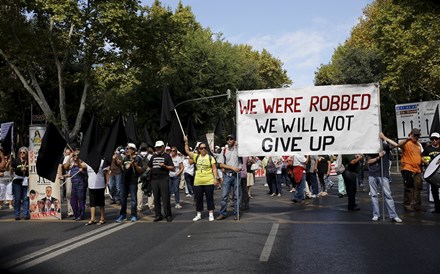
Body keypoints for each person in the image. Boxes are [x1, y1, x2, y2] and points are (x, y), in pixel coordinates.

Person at [367, 136, 402, 223]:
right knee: (374, 195)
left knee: (388, 194)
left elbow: (396, 145)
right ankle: (376, 214)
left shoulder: (384, 146)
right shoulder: (369, 147)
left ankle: (393, 215)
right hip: (372, 174)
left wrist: (384, 137)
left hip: (383, 174)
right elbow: (368, 161)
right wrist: (378, 157)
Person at [184, 137, 219, 221]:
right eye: (201, 148)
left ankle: (211, 214)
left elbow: (214, 168)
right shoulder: (196, 157)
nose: (203, 149)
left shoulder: (210, 158)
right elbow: (187, 151)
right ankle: (198, 214)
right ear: (198, 150)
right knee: (198, 199)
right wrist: (186, 142)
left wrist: (215, 178)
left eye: (205, 148)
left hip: (209, 181)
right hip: (198, 181)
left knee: (209, 198)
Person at [390, 128, 424, 212]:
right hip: (407, 168)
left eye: (417, 135)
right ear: (411, 134)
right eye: (414, 135)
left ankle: (417, 205)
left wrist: (425, 162)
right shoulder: (407, 143)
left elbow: (420, 156)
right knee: (408, 187)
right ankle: (407, 204)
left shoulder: (418, 145)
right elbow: (398, 145)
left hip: (417, 170)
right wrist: (407, 139)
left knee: (417, 187)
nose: (416, 137)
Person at [216, 134, 242, 221]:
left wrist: (239, 145)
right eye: (228, 139)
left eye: (231, 139)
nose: (229, 140)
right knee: (224, 196)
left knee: (236, 196)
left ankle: (236, 213)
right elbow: (220, 164)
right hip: (227, 175)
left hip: (236, 175)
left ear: (234, 140)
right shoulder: (224, 150)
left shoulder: (239, 150)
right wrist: (231, 167)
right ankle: (222, 213)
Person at [148, 140, 174, 222]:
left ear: (163, 147)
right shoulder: (153, 156)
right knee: (156, 198)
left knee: (165, 198)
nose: (158, 149)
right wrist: (148, 171)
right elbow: (149, 166)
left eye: (159, 147)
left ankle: (168, 215)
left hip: (163, 179)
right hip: (154, 180)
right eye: (157, 147)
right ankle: (158, 215)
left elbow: (172, 168)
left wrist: (165, 166)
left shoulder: (167, 156)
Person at [116, 143, 143, 223]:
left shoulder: (138, 158)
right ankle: (122, 214)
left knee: (133, 199)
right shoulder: (125, 158)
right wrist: (119, 164)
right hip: (124, 181)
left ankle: (134, 215)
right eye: (127, 148)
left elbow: (140, 170)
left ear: (134, 150)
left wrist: (134, 164)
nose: (127, 150)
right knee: (123, 199)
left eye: (129, 148)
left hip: (133, 181)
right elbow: (124, 169)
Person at [86, 160, 110, 225]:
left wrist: (107, 182)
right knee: (92, 203)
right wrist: (76, 160)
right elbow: (81, 165)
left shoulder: (102, 162)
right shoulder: (88, 162)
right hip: (91, 185)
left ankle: (102, 218)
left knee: (101, 203)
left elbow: (106, 172)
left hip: (100, 184)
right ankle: (92, 219)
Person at [421, 132, 440, 213]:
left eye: (436, 139)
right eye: (432, 139)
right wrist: (425, 162)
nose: (434, 140)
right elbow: (421, 157)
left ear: (439, 140)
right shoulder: (428, 148)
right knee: (434, 191)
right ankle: (437, 208)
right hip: (433, 173)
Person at [11, 147, 30, 220]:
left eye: (24, 152)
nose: (22, 154)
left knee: (25, 198)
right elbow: (12, 169)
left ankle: (26, 214)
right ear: (19, 154)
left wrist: (25, 171)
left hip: (26, 181)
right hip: (17, 181)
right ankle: (17, 215)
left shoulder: (29, 161)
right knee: (18, 199)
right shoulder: (16, 161)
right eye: (20, 152)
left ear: (27, 153)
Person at [68, 154, 87, 220]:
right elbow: (71, 174)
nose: (75, 157)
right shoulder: (72, 165)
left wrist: (78, 160)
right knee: (72, 201)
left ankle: (81, 215)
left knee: (81, 201)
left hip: (80, 184)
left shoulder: (83, 164)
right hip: (74, 184)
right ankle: (76, 215)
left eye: (76, 156)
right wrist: (64, 176)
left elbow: (83, 170)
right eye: (74, 156)